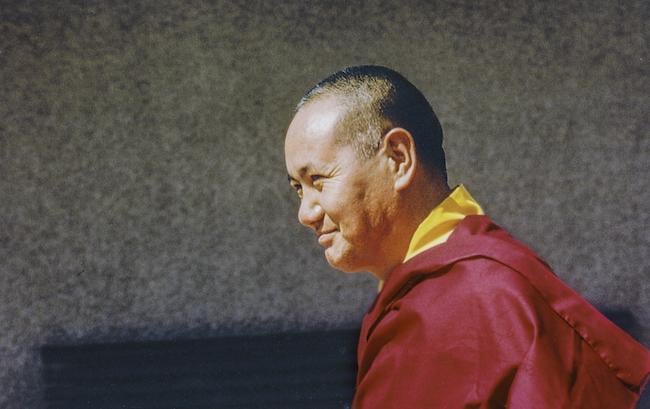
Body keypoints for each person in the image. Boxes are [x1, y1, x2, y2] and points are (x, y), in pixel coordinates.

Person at [284, 65, 650, 408]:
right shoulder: (451, 280)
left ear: (398, 158)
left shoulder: (472, 298)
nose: (306, 214)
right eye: (299, 190)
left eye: (319, 180)